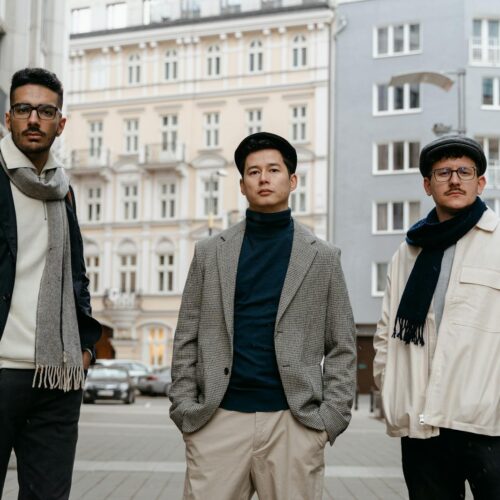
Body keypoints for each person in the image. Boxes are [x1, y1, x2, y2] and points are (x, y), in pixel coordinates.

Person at [169, 131, 357, 500]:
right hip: (217, 422)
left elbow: (342, 346)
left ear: (293, 180)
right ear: (242, 185)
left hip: (294, 424)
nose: (264, 178)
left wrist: (328, 421)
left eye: (274, 169)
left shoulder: (322, 257)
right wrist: (185, 411)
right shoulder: (210, 253)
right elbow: (186, 335)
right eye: (253, 172)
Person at [373, 135, 500, 499]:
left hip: (486, 423)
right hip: (422, 425)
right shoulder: (409, 251)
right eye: (443, 172)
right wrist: (392, 390)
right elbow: (386, 333)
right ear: (428, 185)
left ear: (481, 183)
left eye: (465, 171)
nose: (455, 180)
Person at [0, 68, 102, 499]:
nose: (34, 119)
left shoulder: (63, 190)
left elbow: (77, 274)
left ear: (61, 123)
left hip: (56, 378)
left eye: (45, 110)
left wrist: (83, 347)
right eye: (24, 109)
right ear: (8, 119)